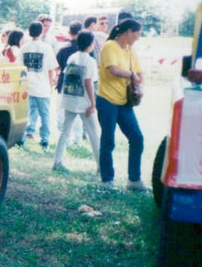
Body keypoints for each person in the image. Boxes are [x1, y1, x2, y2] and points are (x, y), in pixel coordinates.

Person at [96, 18, 147, 191]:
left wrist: (139, 87)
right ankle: (107, 180)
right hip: (107, 100)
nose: (138, 38)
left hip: (124, 102)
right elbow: (113, 69)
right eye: (138, 34)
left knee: (137, 138)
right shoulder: (109, 46)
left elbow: (139, 72)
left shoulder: (130, 50)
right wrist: (132, 75)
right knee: (108, 140)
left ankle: (134, 180)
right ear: (129, 32)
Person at [53, 30, 100, 172]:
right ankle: (101, 165)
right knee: (93, 134)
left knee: (65, 132)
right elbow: (88, 83)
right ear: (91, 44)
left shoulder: (72, 57)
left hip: (70, 99)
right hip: (84, 103)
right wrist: (93, 103)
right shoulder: (90, 61)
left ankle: (57, 162)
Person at [19, 21, 58, 151]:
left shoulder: (24, 48)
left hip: (27, 86)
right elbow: (51, 68)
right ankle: (45, 140)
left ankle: (22, 138)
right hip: (42, 87)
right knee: (45, 115)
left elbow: (20, 68)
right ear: (41, 32)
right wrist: (50, 84)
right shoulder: (46, 48)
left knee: (26, 114)